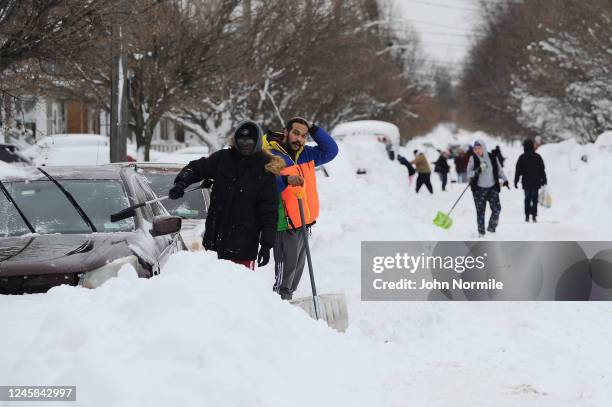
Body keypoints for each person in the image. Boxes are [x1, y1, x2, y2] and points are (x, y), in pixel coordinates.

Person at [168, 120, 284, 270]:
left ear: (257, 141)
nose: (245, 143)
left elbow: (269, 211)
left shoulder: (265, 168)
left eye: (249, 139)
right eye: (241, 139)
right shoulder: (222, 158)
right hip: (215, 241)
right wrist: (181, 183)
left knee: (239, 288)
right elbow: (196, 168)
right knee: (214, 288)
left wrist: (267, 245)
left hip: (244, 244)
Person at [265, 117, 338, 300]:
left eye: (304, 135)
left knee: (295, 274)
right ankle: (277, 309)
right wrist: (285, 180)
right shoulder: (273, 156)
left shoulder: (306, 154)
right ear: (286, 131)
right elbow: (268, 188)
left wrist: (313, 128)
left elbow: (331, 151)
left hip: (303, 222)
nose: (299, 139)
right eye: (296, 133)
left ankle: (287, 309)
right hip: (285, 224)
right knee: (284, 280)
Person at [467, 139, 509, 237]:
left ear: (484, 148)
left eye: (479, 148)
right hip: (478, 189)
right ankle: (481, 233)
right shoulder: (473, 159)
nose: (477, 150)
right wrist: (477, 170)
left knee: (497, 209)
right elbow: (468, 173)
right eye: (475, 148)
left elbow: (499, 170)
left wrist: (505, 179)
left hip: (492, 188)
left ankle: (491, 228)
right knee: (480, 212)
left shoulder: (492, 157)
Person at [514, 139, 547, 223]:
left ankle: (527, 215)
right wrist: (544, 180)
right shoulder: (537, 157)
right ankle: (534, 216)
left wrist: (516, 181)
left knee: (527, 198)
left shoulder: (522, 157)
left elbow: (518, 170)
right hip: (536, 181)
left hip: (526, 182)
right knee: (535, 199)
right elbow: (542, 169)